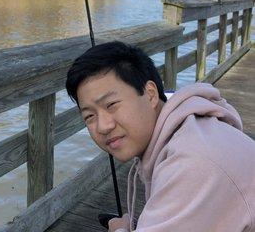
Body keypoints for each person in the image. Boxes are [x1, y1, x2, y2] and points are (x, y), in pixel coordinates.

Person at [65, 41, 255, 232]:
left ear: (150, 94)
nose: (103, 126)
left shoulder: (192, 163)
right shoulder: (193, 131)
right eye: (89, 116)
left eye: (111, 104)